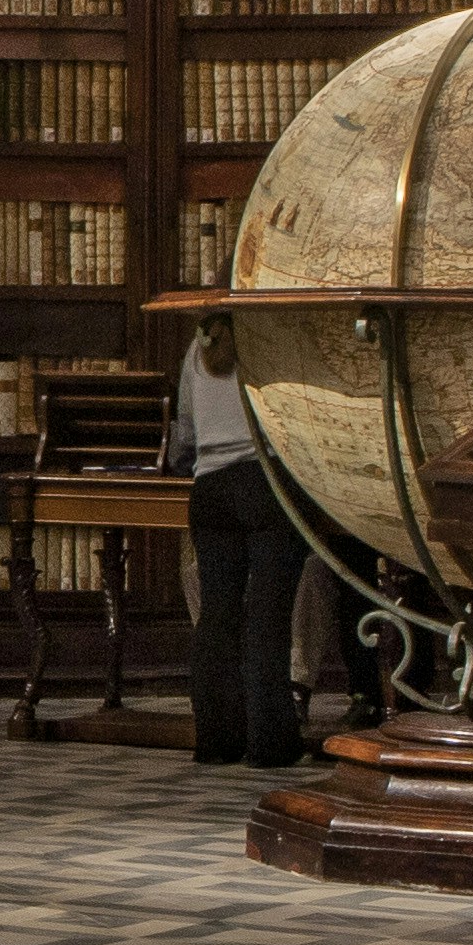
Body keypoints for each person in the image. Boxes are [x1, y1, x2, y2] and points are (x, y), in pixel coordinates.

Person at [171, 316, 315, 771]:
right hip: (263, 481)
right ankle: (269, 744)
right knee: (268, 617)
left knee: (217, 615)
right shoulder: (268, 344)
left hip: (208, 492)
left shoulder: (196, 351)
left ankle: (216, 741)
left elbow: (186, 435)